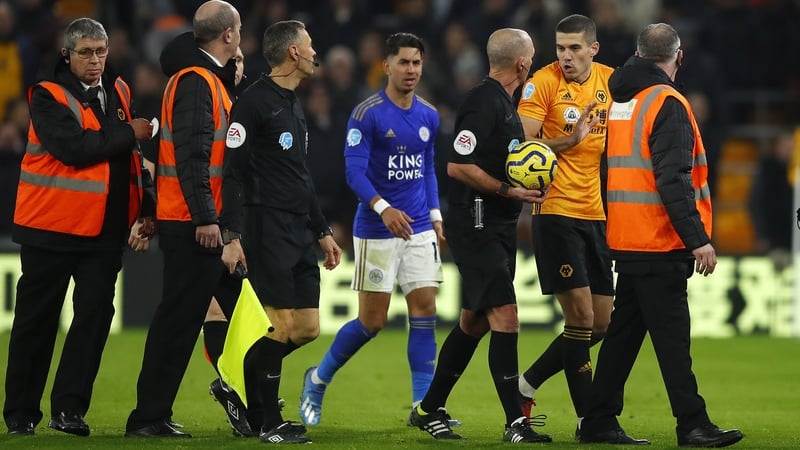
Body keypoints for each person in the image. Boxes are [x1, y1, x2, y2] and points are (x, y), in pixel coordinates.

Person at [579, 23, 743, 447]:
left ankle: (597, 420)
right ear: (678, 57)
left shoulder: (622, 101)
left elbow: (607, 170)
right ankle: (692, 423)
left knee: (623, 337)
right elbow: (674, 178)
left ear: (638, 53)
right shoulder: (668, 102)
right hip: (659, 238)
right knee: (672, 340)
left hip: (628, 237)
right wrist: (697, 238)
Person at [3, 17, 154, 436]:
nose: (95, 60)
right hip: (50, 228)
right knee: (36, 322)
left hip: (104, 232)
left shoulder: (119, 91)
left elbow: (133, 160)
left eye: (101, 51)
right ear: (66, 54)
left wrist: (147, 209)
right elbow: (74, 150)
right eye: (86, 52)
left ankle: (68, 411)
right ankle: (20, 414)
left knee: (92, 320)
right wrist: (128, 131)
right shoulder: (46, 95)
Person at [408, 28, 551, 444]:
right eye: (533, 58)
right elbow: (458, 165)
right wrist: (508, 190)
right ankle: (516, 423)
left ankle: (429, 408)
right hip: (476, 221)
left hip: (496, 222)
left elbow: (507, 156)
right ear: (522, 63)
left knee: (473, 322)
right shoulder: (482, 101)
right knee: (505, 316)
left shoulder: (503, 104)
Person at [298, 32, 444, 427]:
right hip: (377, 228)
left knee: (425, 311)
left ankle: (423, 408)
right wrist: (383, 209)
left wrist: (435, 215)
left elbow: (427, 169)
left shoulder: (429, 115)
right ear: (386, 66)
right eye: (403, 62)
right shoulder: (367, 114)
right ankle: (318, 377)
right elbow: (354, 172)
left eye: (416, 62)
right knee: (372, 323)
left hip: (417, 228)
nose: (411, 70)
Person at [219, 19, 342, 444]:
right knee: (279, 326)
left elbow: (299, 174)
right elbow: (231, 174)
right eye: (308, 45)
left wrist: (321, 229)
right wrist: (231, 236)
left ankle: (236, 381)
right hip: (264, 225)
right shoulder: (252, 104)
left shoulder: (293, 103)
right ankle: (268, 421)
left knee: (306, 328)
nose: (313, 52)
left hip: (298, 229)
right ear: (293, 52)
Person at [125, 0, 242, 438]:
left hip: (186, 216)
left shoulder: (202, 79)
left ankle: (156, 413)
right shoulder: (197, 83)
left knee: (187, 317)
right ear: (228, 34)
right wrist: (206, 218)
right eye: (239, 31)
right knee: (177, 320)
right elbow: (194, 158)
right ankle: (148, 417)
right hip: (194, 222)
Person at [515, 14, 615, 432]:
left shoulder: (613, 83)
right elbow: (522, 147)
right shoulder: (543, 83)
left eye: (574, 48)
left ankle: (526, 383)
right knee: (580, 319)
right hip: (555, 212)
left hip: (595, 214)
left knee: (602, 323)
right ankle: (590, 421)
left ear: (593, 49)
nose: (566, 56)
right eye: (560, 48)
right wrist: (568, 141)